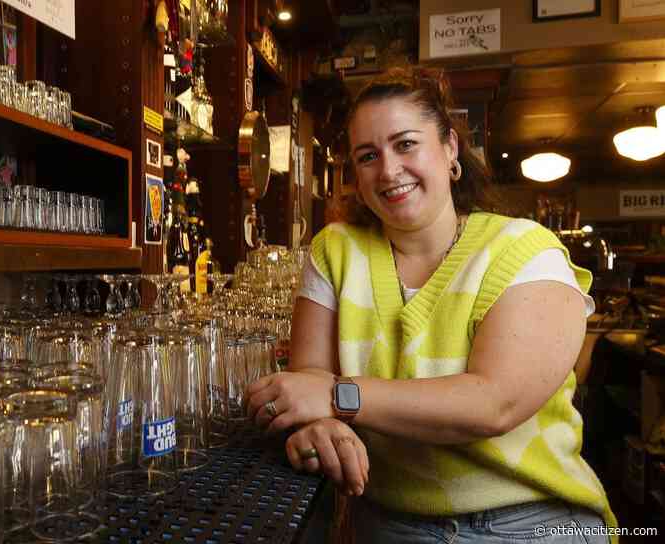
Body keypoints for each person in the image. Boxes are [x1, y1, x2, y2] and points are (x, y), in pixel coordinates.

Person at [245, 67, 617, 543]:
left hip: (530, 520)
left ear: (450, 150)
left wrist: (339, 399)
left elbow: (493, 403)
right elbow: (308, 382)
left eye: (405, 144)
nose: (388, 170)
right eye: (367, 156)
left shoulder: (524, 250)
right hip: (387, 521)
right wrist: (322, 430)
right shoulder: (335, 250)